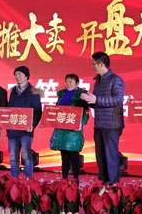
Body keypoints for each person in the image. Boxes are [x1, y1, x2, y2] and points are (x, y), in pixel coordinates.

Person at [81, 51, 125, 185]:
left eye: (94, 64)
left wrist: (96, 99)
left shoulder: (116, 79)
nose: (93, 66)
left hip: (112, 124)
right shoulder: (98, 81)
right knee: (100, 154)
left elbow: (117, 99)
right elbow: (97, 102)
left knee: (110, 154)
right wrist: (88, 100)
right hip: (100, 123)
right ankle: (105, 181)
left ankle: (113, 182)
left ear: (101, 64)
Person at [50, 73, 90, 182]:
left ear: (77, 83)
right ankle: (64, 179)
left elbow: (86, 112)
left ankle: (75, 179)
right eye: (67, 81)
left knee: (74, 156)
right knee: (64, 157)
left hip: (73, 132)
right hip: (62, 131)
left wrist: (81, 123)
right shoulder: (61, 95)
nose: (68, 84)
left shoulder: (81, 95)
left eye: (71, 82)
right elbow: (56, 111)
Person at [7, 66, 42, 178]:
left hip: (26, 131)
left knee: (26, 156)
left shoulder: (33, 92)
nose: (17, 77)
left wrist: (32, 125)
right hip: (12, 130)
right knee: (13, 157)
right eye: (16, 74)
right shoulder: (13, 91)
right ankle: (14, 180)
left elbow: (37, 112)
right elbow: (9, 109)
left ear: (26, 77)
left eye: (20, 74)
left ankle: (27, 180)